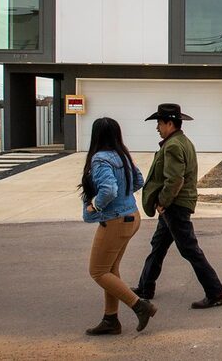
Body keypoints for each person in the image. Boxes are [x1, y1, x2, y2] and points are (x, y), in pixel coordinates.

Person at [133, 103, 222, 310]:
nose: (157, 127)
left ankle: (215, 292)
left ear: (169, 123)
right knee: (158, 246)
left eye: (159, 123)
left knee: (190, 250)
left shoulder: (174, 145)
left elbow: (174, 180)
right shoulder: (181, 141)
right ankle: (145, 287)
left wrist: (163, 203)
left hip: (175, 205)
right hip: (174, 205)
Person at [80, 117, 157, 335]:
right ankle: (110, 319)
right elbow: (139, 180)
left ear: (96, 135)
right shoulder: (122, 155)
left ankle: (139, 306)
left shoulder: (100, 159)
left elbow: (108, 189)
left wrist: (95, 206)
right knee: (110, 270)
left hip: (115, 220)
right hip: (131, 216)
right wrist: (125, 198)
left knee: (97, 271)